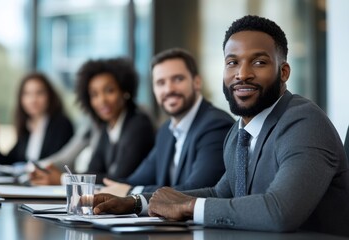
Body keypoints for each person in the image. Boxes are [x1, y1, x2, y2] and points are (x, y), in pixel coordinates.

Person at [92, 16, 349, 237]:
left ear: (283, 72)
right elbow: (221, 192)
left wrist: (188, 206)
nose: (242, 74)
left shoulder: (304, 123)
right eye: (232, 62)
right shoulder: (240, 132)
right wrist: (138, 203)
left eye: (258, 62)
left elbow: (280, 211)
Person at [97, 48, 234, 196]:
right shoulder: (166, 131)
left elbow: (197, 189)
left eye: (178, 79)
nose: (169, 89)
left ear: (196, 82)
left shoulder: (216, 125)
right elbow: (136, 180)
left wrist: (132, 191)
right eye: (160, 83)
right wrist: (88, 184)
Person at [30, 58, 155, 185]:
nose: (102, 100)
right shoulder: (107, 127)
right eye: (94, 94)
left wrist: (63, 179)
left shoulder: (139, 125)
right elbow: (93, 171)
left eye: (109, 91)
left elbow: (120, 179)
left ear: (124, 91)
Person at [0, 72, 73, 165]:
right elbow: (10, 162)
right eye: (27, 94)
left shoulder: (61, 125)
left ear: (49, 96)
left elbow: (56, 162)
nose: (33, 99)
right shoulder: (27, 127)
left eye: (39, 93)